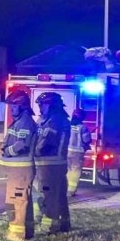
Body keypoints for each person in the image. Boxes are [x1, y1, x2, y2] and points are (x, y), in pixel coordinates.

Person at [0, 87, 37, 241]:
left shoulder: (25, 122)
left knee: (17, 202)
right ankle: (27, 232)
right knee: (20, 202)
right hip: (17, 171)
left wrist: (7, 151)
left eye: (14, 106)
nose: (11, 109)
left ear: (22, 106)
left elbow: (22, 145)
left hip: (21, 171)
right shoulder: (20, 121)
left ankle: (17, 234)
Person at [33, 92, 72, 233]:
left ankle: (50, 226)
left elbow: (43, 144)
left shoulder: (55, 121)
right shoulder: (52, 119)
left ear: (51, 105)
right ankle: (64, 223)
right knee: (59, 195)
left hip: (50, 165)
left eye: (43, 104)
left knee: (49, 195)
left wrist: (31, 152)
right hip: (53, 164)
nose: (40, 107)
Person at [66, 109, 91, 197]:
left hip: (67, 151)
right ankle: (71, 191)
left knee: (69, 170)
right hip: (78, 152)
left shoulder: (68, 125)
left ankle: (66, 188)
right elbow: (86, 140)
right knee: (76, 171)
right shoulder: (83, 127)